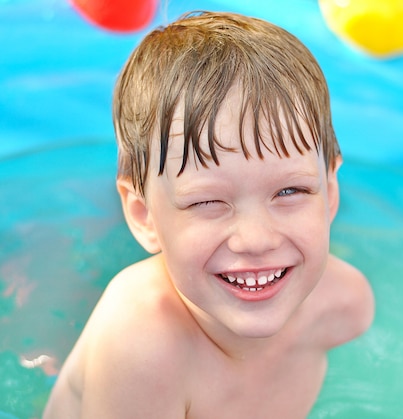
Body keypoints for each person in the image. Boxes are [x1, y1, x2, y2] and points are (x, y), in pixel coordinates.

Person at [43, 10, 374, 418]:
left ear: (330, 192)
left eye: (291, 190)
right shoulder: (141, 343)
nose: (256, 238)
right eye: (206, 202)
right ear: (144, 215)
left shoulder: (343, 306)